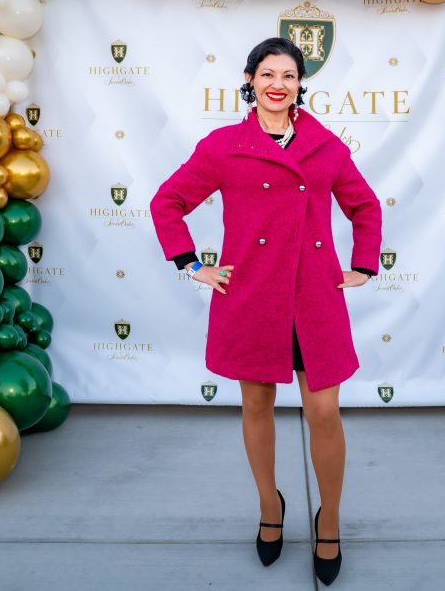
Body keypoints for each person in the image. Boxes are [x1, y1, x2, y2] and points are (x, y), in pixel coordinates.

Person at [150, 37, 381, 585]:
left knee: (324, 412)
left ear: (300, 84)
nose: (279, 84)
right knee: (256, 408)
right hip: (252, 297)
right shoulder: (222, 146)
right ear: (250, 80)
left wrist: (364, 265)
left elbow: (364, 205)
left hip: (315, 299)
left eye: (290, 75)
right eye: (268, 73)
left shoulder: (325, 146)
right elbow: (168, 202)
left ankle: (330, 517)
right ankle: (270, 508)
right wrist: (192, 263)